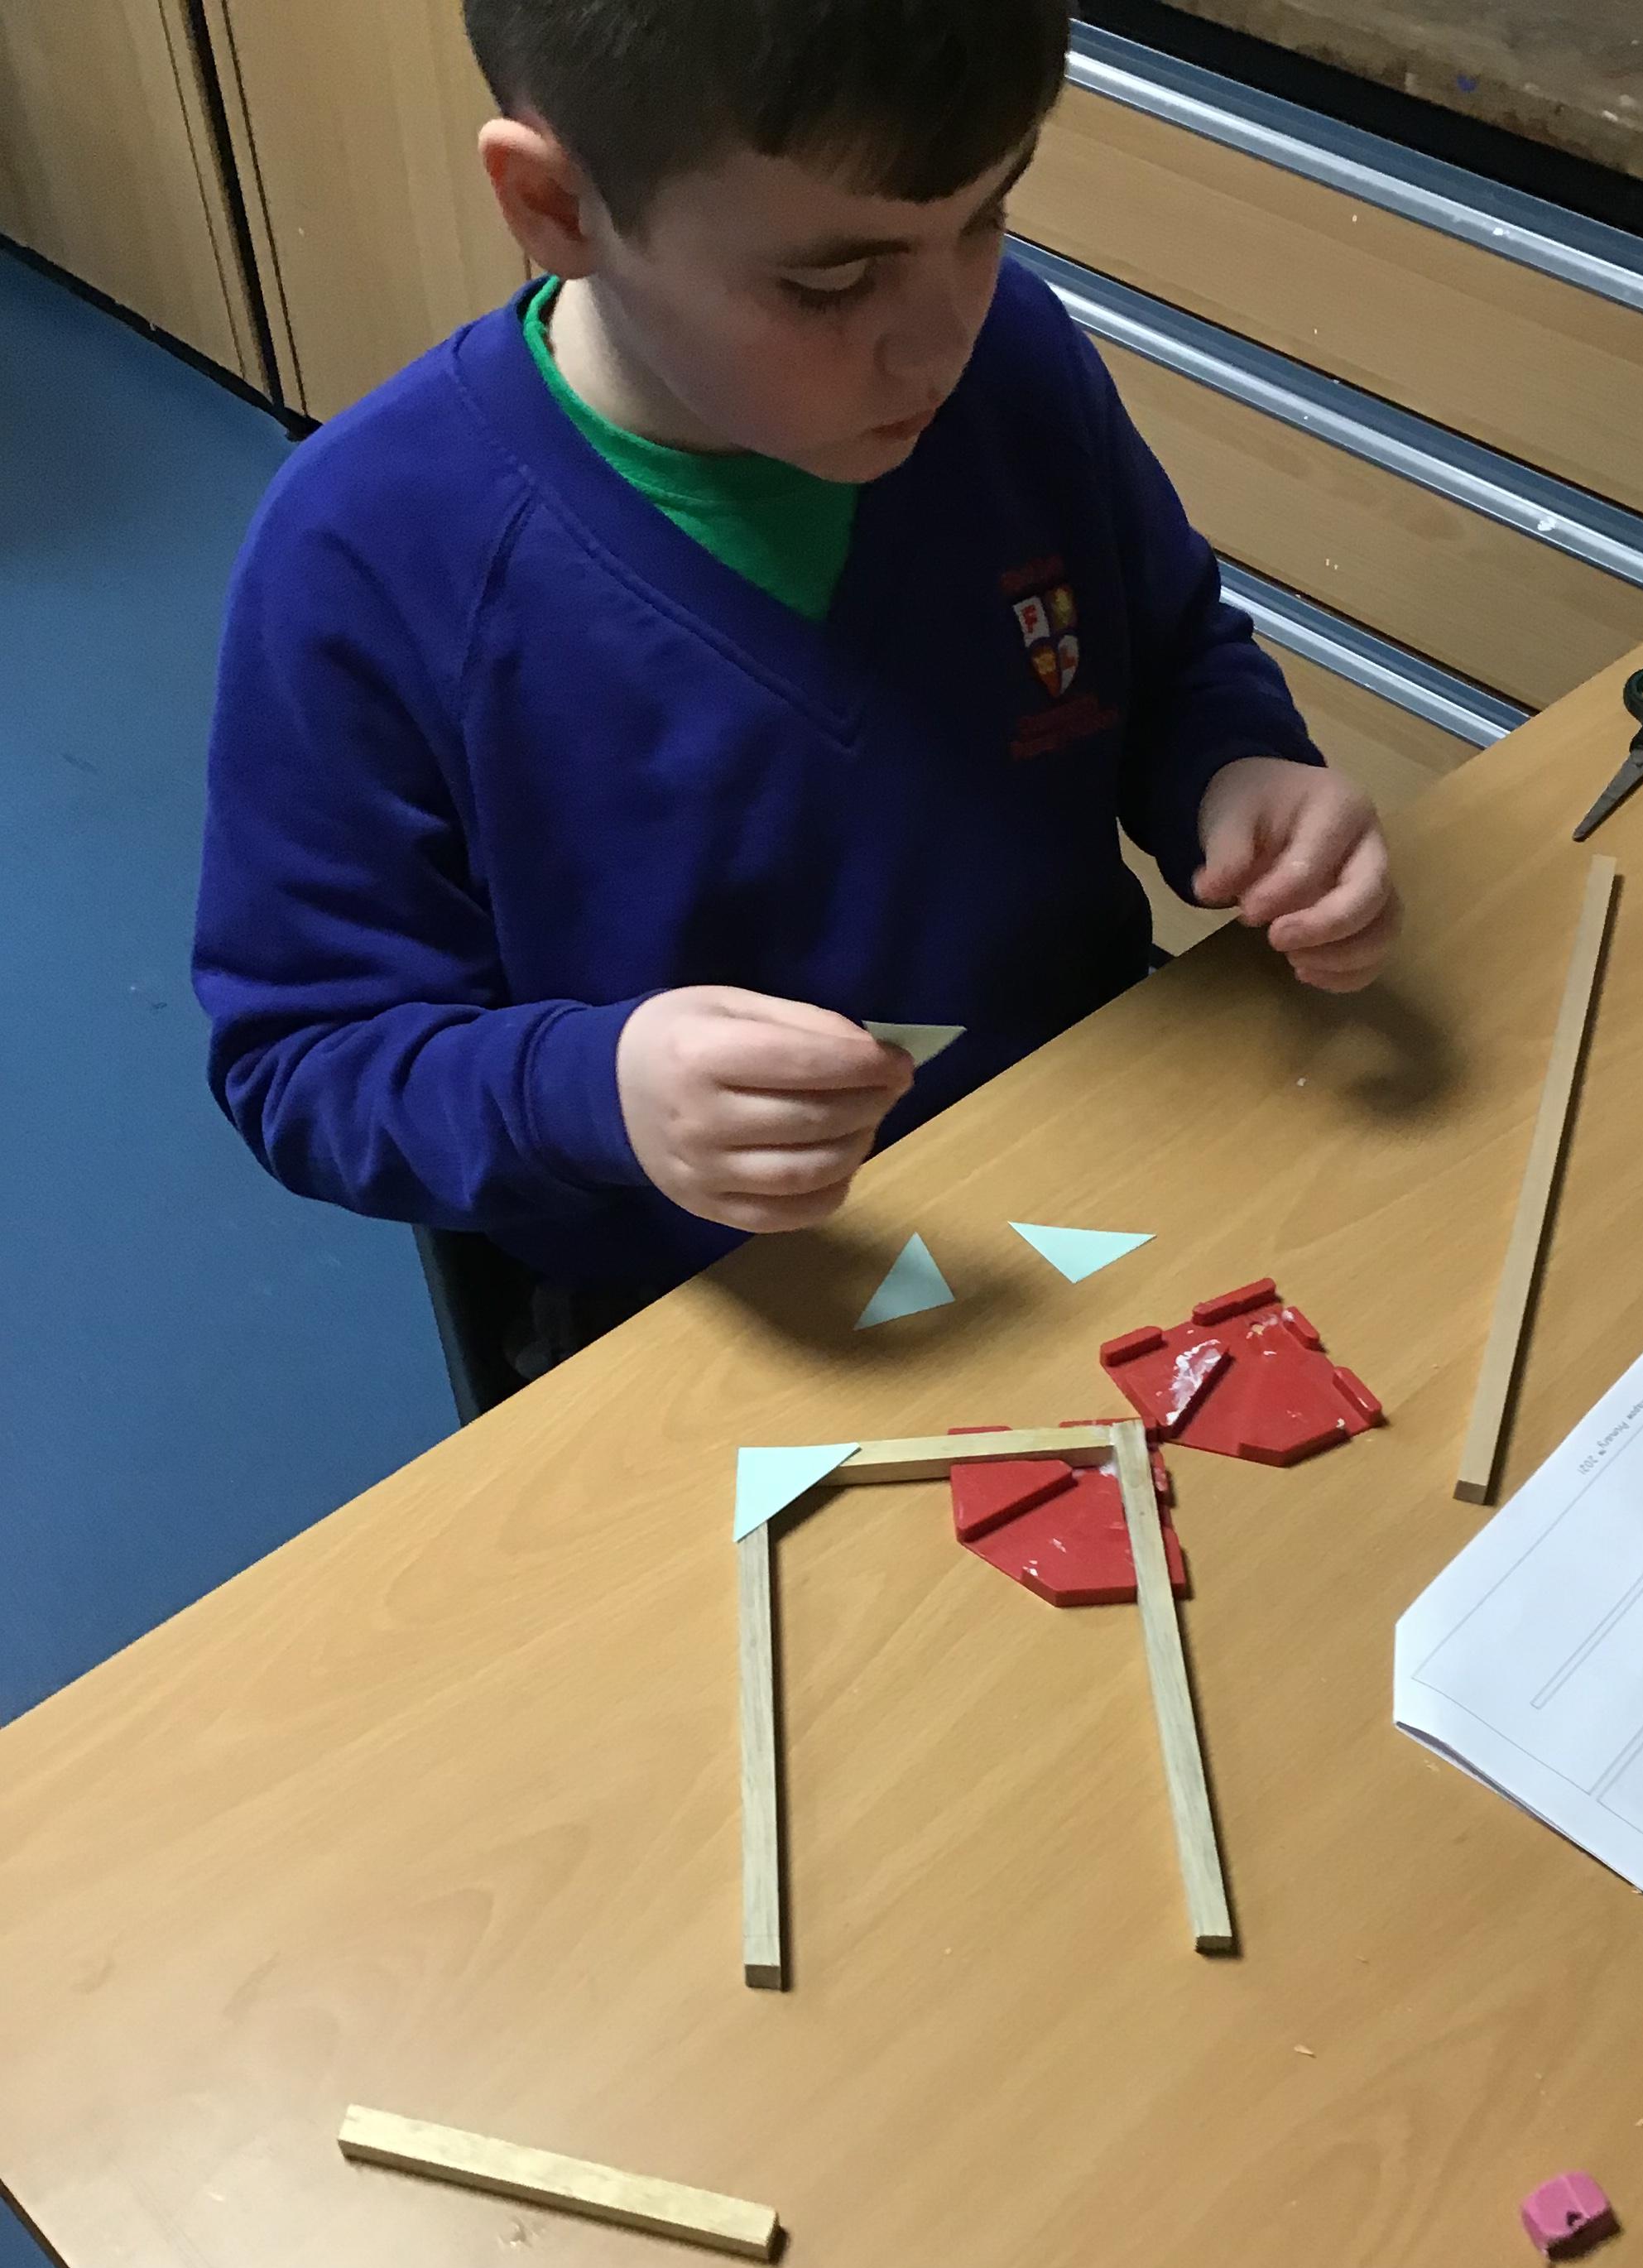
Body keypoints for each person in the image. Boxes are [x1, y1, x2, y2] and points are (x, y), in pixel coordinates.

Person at [193, 0, 1398, 1373]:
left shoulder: (1016, 362)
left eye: (988, 219)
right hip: (718, 1310)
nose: (937, 343)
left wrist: (1240, 774)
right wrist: (594, 1091)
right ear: (557, 207)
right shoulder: (366, 548)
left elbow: (1172, 653)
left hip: (1102, 1155)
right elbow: (305, 1060)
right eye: (831, 285)